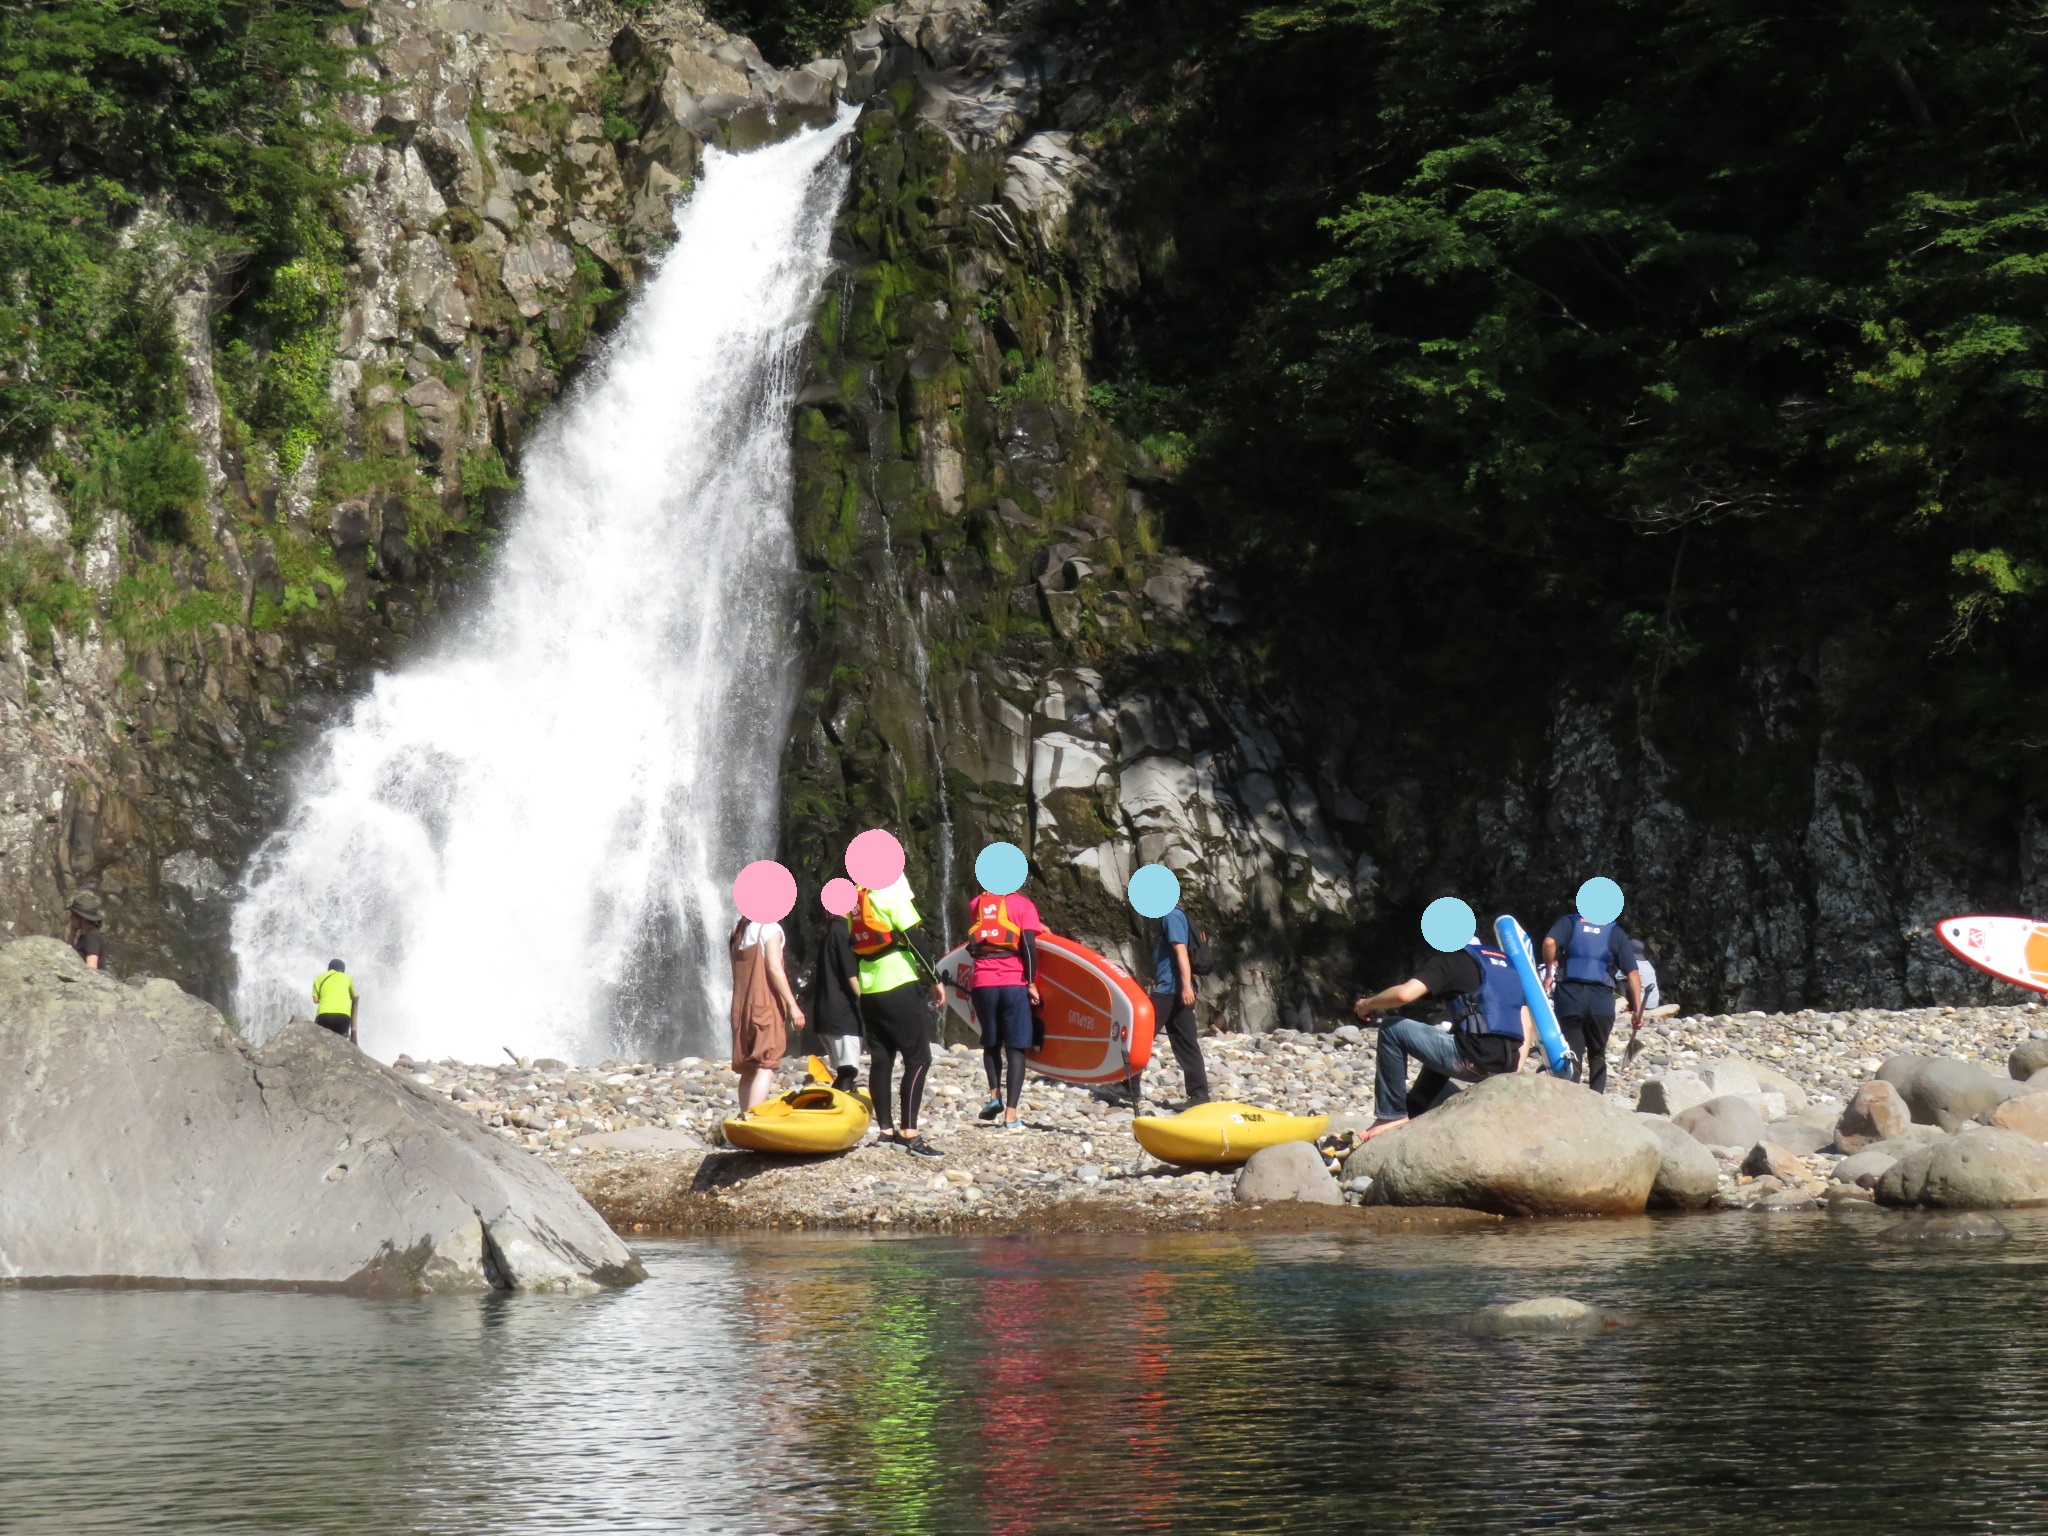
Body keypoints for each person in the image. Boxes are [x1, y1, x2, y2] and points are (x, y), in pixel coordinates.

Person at [1352, 938, 1534, 1138]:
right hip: (1505, 1065)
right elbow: (1527, 1023)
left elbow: (1404, 994)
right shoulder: (1506, 967)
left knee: (1392, 1029)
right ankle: (1416, 1108)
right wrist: (1512, 1075)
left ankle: (1391, 1116)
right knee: (1448, 1037)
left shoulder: (1451, 961)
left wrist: (1367, 1004)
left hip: (1471, 1060)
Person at [852, 874, 946, 1158]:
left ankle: (885, 1131)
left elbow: (855, 944)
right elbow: (915, 938)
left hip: (870, 988)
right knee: (919, 1058)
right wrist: (934, 978)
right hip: (898, 983)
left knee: (882, 1059)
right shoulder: (890, 893)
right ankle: (909, 1134)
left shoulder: (857, 899)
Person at [1100, 899, 1211, 1110]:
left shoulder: (1171, 915)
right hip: (1175, 991)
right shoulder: (1174, 915)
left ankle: (1128, 1087)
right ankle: (1199, 1096)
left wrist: (1186, 986)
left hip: (1170, 991)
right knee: (1186, 1043)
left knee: (1139, 1034)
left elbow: (1181, 952)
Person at [964, 885, 1042, 1130]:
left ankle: (993, 1096)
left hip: (982, 984)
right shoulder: (1023, 905)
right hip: (1013, 983)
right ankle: (1011, 1114)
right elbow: (1028, 945)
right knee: (1016, 1048)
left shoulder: (975, 904)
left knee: (991, 1043)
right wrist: (1031, 982)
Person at [1541, 909, 1642, 1094]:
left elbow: (1549, 943)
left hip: (1570, 996)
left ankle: (1570, 1099)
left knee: (1573, 1052)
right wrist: (1637, 1009)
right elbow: (1633, 973)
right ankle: (1596, 1100)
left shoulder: (1570, 922)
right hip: (1601, 999)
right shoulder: (1615, 931)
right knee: (1597, 1053)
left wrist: (1549, 970)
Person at [730, 914, 802, 1114]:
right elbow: (775, 968)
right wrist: (792, 1005)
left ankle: (744, 1118)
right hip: (764, 1005)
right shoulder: (770, 928)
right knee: (766, 1065)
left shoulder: (737, 930)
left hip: (740, 1007)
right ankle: (753, 1121)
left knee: (748, 1068)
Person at [808, 912, 865, 1094]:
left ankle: (837, 1101)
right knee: (848, 1070)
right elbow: (851, 975)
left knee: (844, 1070)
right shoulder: (841, 932)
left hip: (826, 1013)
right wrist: (868, 1003)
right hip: (842, 1014)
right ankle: (837, 1105)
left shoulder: (829, 930)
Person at [312, 960, 359, 1042]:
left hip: (324, 1014)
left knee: (322, 1041)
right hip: (343, 1016)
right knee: (341, 1042)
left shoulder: (319, 977)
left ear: (329, 968)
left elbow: (315, 1000)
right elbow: (354, 996)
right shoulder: (347, 978)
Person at [65, 891, 104, 970]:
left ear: (80, 917)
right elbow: (68, 953)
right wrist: (73, 931)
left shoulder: (92, 936)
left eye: (72, 915)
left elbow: (92, 966)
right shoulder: (85, 935)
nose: (70, 918)